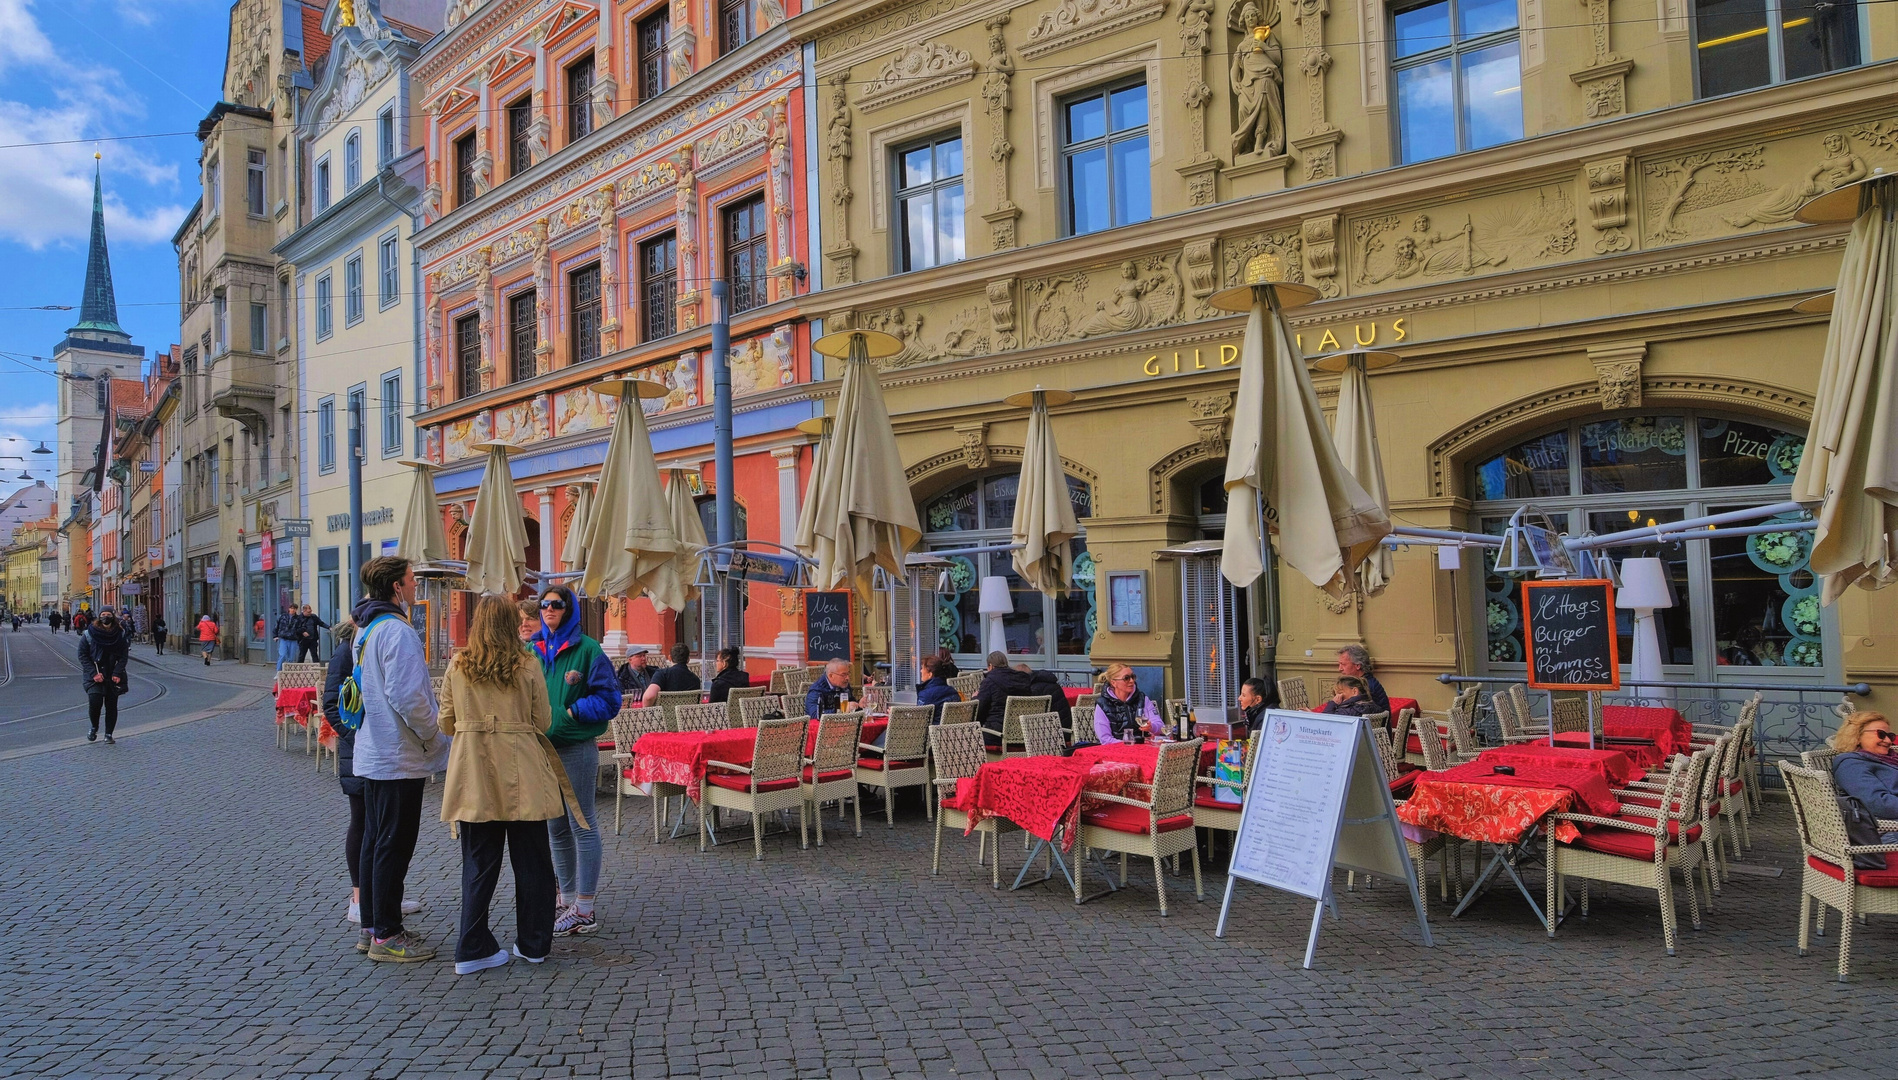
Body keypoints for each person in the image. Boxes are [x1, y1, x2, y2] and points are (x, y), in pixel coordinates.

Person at [442, 594, 585, 974]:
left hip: (475, 771)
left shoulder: (458, 663)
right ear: (510, 623)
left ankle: (472, 948)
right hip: (523, 768)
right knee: (533, 861)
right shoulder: (527, 662)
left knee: (478, 862)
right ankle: (534, 942)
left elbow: (445, 719)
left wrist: (472, 728)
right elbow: (543, 718)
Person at [351, 556, 447, 964]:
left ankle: (373, 925)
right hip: (397, 753)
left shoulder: (367, 627)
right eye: (411, 580)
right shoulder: (398, 631)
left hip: (375, 750)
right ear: (396, 587)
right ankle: (387, 936)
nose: (415, 587)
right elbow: (409, 697)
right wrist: (433, 734)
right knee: (393, 843)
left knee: (376, 841)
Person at [529, 584, 621, 938]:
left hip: (576, 747)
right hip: (541, 750)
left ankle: (584, 907)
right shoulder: (532, 649)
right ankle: (566, 900)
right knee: (555, 826)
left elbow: (610, 700)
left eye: (557, 604)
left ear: (569, 609)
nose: (549, 609)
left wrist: (570, 711)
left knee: (582, 822)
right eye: (545, 605)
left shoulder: (588, 649)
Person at [1831, 710, 1898, 844]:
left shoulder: (1887, 759)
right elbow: (1879, 803)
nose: (1888, 740)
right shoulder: (1851, 765)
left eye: (1890, 735)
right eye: (1881, 734)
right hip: (1887, 832)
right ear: (1857, 735)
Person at [78, 609, 129, 744]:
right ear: (99, 617)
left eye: (108, 615)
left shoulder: (120, 634)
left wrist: (118, 672)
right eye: (103, 615)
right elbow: (82, 655)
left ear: (113, 616)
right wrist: (94, 674)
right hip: (95, 675)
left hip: (112, 675)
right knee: (95, 703)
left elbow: (124, 656)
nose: (106, 617)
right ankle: (94, 726)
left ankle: (108, 734)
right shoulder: (89, 634)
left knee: (111, 705)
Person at [1086, 664, 1165, 746]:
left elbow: (1160, 726)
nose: (1131, 681)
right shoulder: (1103, 704)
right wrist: (1128, 744)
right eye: (1126, 678)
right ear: (1114, 683)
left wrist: (1152, 727)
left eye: (1133, 677)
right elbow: (1105, 739)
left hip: (1144, 746)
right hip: (1117, 750)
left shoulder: (1142, 698)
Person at [973, 651, 1035, 746]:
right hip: (1024, 733)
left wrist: (974, 698)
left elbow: (979, 711)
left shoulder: (989, 682)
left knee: (967, 737)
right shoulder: (1023, 679)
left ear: (991, 666)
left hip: (997, 735)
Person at [641, 642, 701, 707]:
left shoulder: (662, 674)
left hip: (664, 715)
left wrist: (646, 711)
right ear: (688, 660)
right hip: (685, 716)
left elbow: (649, 697)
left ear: (669, 658)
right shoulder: (695, 680)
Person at [1336, 645, 1390, 717]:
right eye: (1339, 664)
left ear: (1358, 666)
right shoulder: (1367, 682)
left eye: (1343, 664)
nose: (1340, 669)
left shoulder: (1366, 687)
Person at [916, 654, 960, 720]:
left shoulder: (926, 695)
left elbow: (920, 720)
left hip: (932, 729)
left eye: (922, 668)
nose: (921, 671)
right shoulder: (953, 691)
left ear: (930, 674)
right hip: (951, 728)